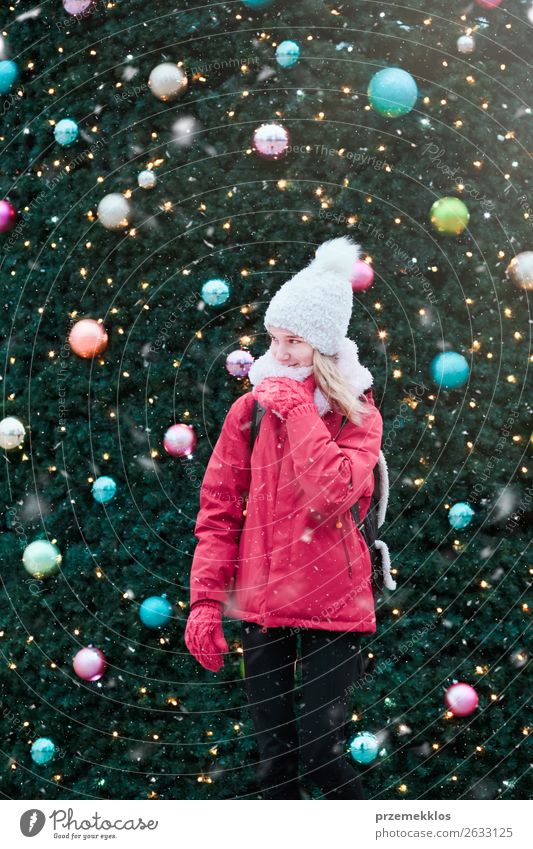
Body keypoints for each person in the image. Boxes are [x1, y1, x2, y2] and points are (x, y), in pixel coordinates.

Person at [185, 235, 388, 800]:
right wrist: (205, 602)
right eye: (275, 339)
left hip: (336, 602)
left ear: (323, 345)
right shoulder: (249, 410)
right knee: (275, 765)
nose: (281, 353)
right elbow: (218, 511)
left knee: (323, 756)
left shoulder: (358, 415)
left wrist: (300, 413)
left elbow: (331, 495)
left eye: (295, 341)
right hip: (263, 602)